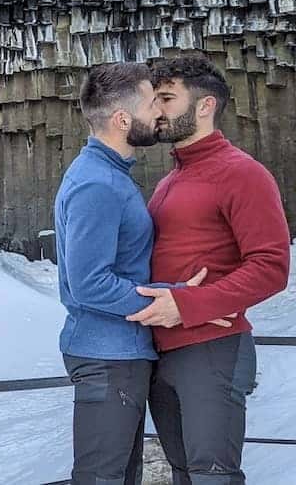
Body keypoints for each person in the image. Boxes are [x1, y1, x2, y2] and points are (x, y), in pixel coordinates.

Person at [127, 56, 292, 485]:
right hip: (163, 353)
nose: (156, 110)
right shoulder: (169, 182)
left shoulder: (242, 173)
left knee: (213, 476)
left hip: (213, 349)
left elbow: (272, 267)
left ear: (205, 106)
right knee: (184, 475)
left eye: (166, 98)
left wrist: (190, 304)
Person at [55, 63, 218, 485]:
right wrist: (174, 299)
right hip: (107, 355)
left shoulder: (110, 176)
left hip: (122, 353)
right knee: (102, 477)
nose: (159, 114)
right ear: (122, 119)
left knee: (120, 476)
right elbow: (88, 282)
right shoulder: (98, 184)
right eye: (151, 105)